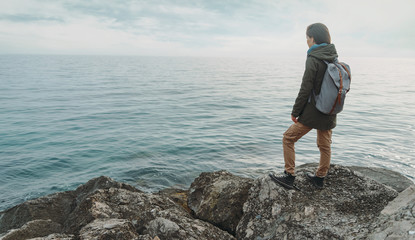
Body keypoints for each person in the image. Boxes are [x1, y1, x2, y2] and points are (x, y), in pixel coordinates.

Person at [270, 23, 339, 189]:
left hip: (314, 112)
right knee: (325, 146)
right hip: (330, 110)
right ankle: (319, 178)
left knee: (288, 138)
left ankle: (289, 176)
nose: (306, 41)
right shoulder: (334, 57)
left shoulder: (313, 58)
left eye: (307, 38)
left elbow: (305, 88)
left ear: (312, 38)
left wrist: (295, 111)